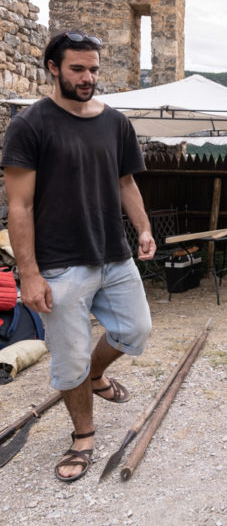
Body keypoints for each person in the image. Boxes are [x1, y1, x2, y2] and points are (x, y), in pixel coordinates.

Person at [1, 31, 156, 482]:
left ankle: (94, 373)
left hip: (114, 252)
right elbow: (19, 205)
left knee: (136, 330)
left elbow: (126, 183)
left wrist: (143, 228)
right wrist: (28, 275)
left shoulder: (115, 122)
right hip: (60, 263)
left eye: (93, 69)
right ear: (53, 67)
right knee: (67, 357)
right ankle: (83, 435)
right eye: (77, 69)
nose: (88, 78)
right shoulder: (30, 125)